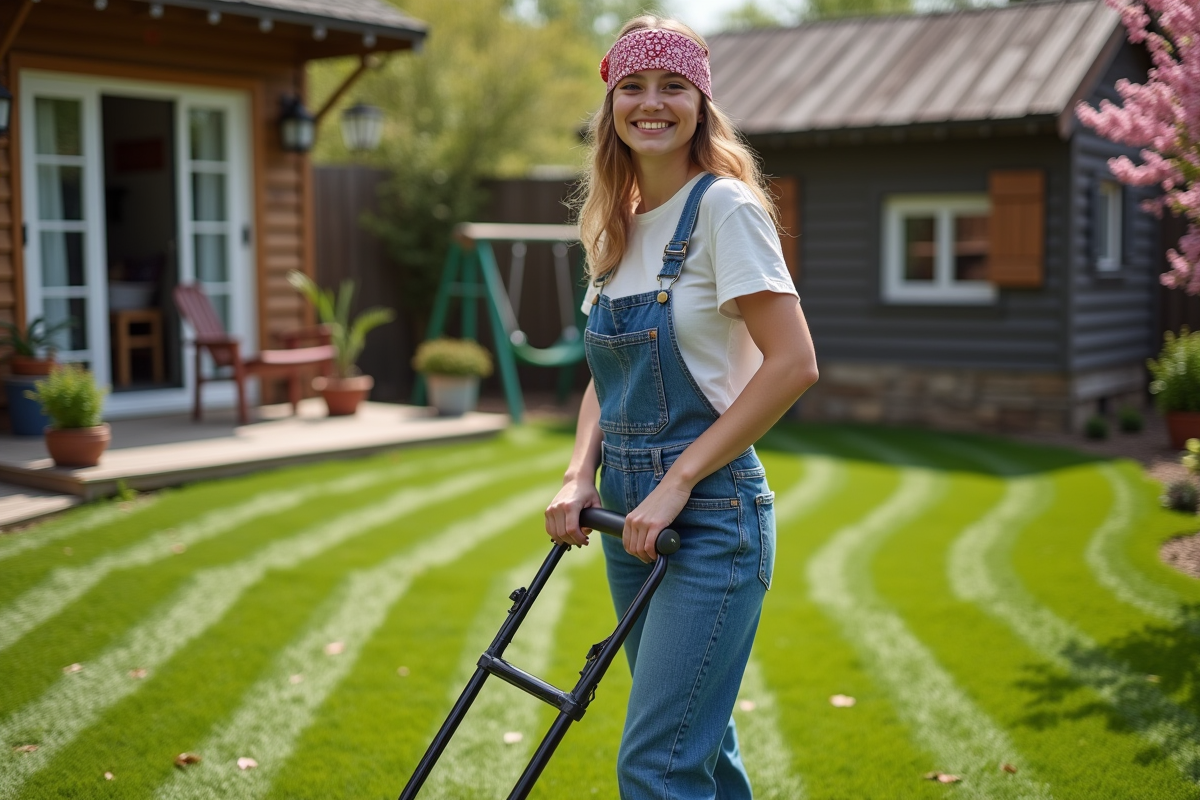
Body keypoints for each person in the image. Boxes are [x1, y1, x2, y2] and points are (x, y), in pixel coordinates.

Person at [543, 15, 819, 800]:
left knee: (657, 765)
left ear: (701, 102)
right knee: (699, 747)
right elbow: (608, 370)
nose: (651, 103)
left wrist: (680, 480)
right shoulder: (616, 223)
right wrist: (577, 473)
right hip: (629, 511)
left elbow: (793, 363)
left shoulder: (724, 209)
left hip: (708, 516)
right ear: (611, 103)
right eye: (633, 86)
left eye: (673, 86)